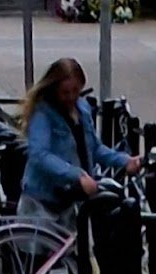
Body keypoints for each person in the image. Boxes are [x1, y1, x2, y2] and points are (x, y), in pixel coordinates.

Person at [16, 56, 133, 223]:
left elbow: (94, 148)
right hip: (44, 201)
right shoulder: (43, 114)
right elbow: (39, 154)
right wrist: (77, 175)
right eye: (65, 92)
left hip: (71, 199)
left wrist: (124, 161)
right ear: (54, 89)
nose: (71, 97)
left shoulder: (82, 109)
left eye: (76, 91)